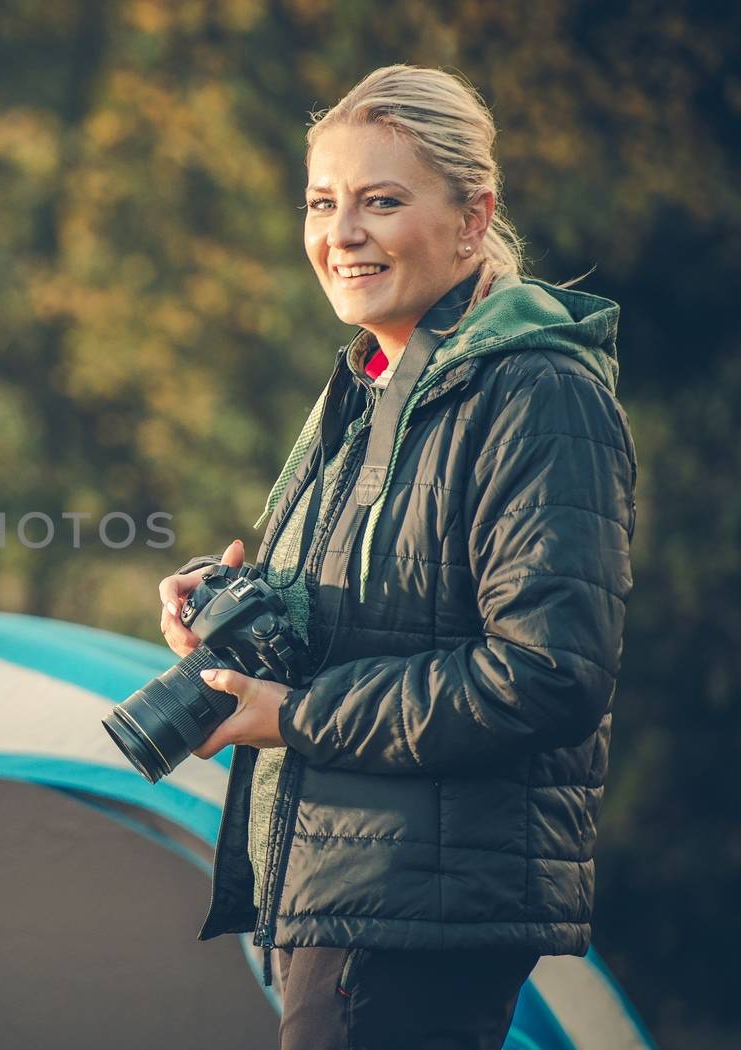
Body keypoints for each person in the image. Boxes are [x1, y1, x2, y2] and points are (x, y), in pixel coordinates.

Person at [157, 65, 635, 1050]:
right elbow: (385, 620)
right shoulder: (373, 392)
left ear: (473, 218)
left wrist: (288, 714)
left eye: (381, 201)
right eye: (322, 203)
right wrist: (242, 618)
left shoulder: (536, 398)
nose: (340, 234)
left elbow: (547, 675)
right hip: (340, 887)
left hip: (411, 906)